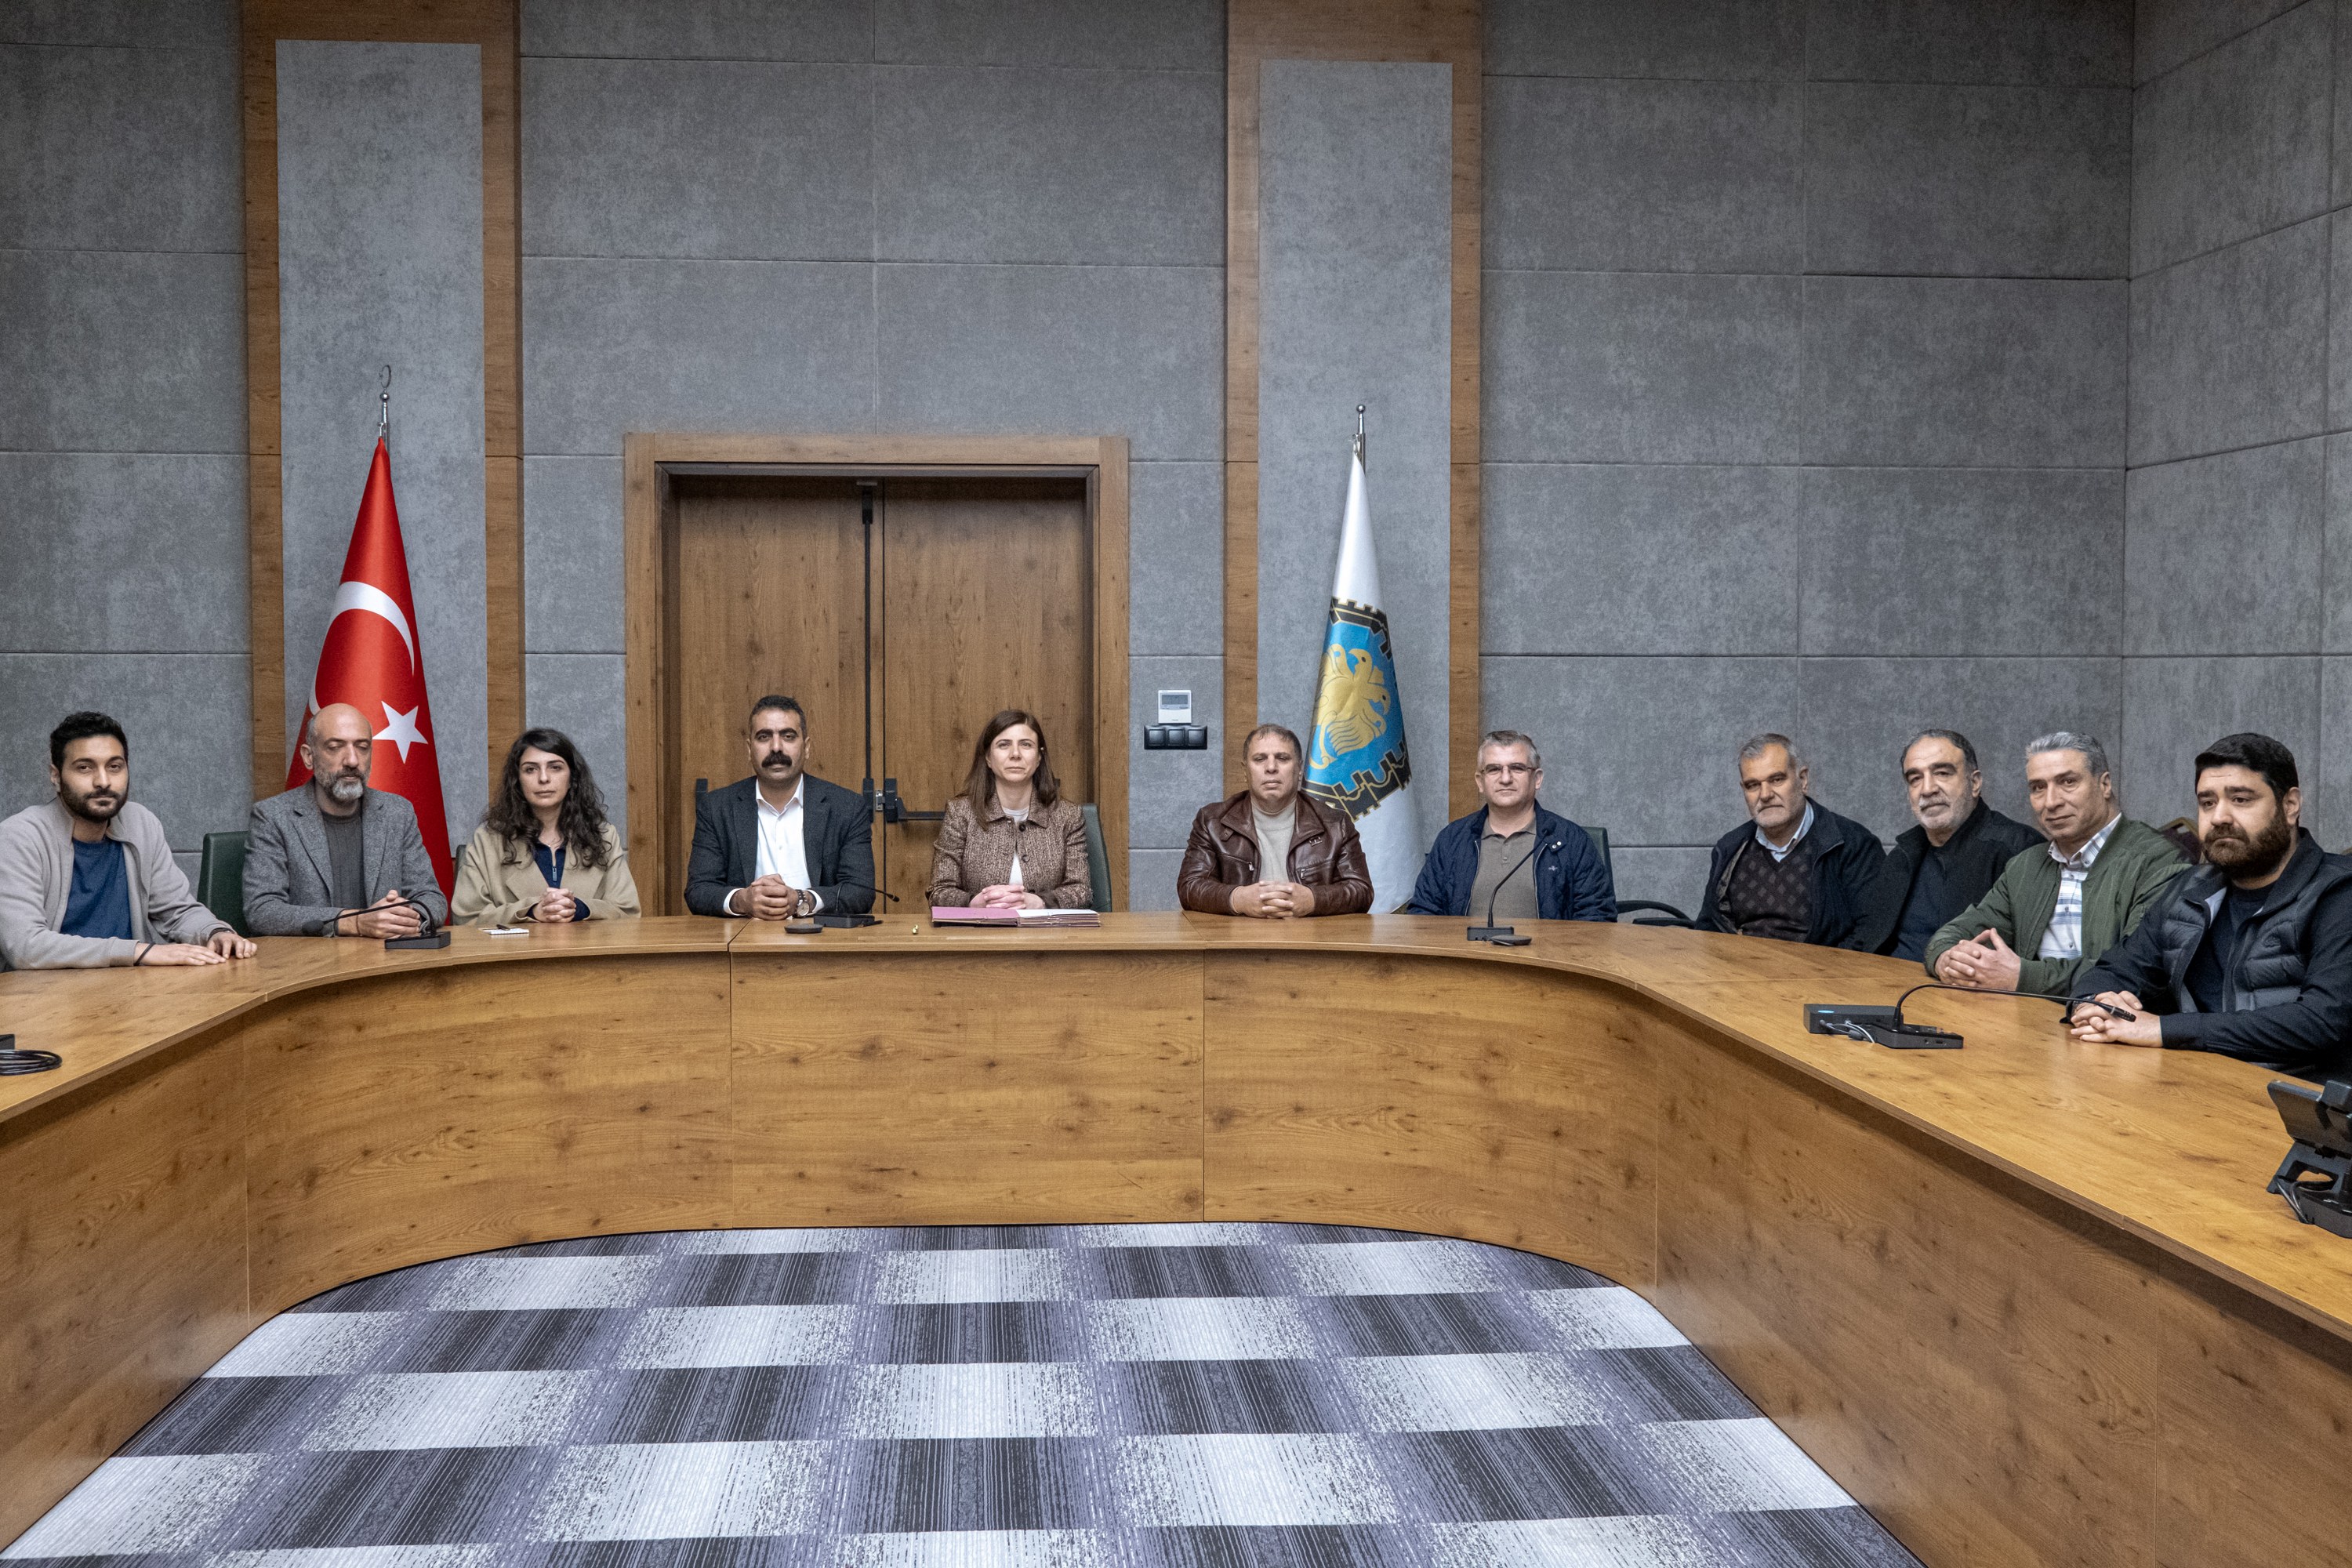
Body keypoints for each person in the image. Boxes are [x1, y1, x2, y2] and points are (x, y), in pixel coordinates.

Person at [2069, 734, 2352, 1080]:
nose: (2219, 817)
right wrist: (2096, 1004)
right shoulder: (2189, 889)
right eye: (2207, 802)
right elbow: (2113, 969)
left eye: (2241, 799)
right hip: (2190, 1086)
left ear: (2290, 805)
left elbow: (2321, 1021)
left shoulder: (2339, 892)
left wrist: (2163, 1029)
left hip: (2297, 1100)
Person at [1926, 731, 2184, 996]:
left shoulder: (2159, 861)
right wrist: (1948, 959)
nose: (2051, 802)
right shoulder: (2025, 866)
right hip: (2027, 1015)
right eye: (2038, 788)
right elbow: (1955, 934)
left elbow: (2141, 971)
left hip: (2112, 1019)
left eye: (2068, 782)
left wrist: (2022, 976)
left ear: (2105, 785)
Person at [0, 712, 256, 969]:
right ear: (56, 776)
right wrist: (138, 951)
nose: (103, 782)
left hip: (130, 986)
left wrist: (215, 932)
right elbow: (25, 946)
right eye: (84, 767)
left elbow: (177, 911)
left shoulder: (141, 823)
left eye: (114, 767)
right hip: (46, 990)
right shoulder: (19, 837)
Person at [245, 702, 448, 937]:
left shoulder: (397, 813)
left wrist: (404, 918)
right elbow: (262, 911)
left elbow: (432, 898)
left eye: (362, 747)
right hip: (311, 958)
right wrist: (354, 922)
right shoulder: (273, 816)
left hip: (385, 956)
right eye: (335, 747)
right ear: (309, 757)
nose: (352, 760)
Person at [1849, 729, 2041, 960]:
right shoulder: (1902, 855)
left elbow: (2027, 958)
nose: (1928, 789)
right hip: (1879, 977)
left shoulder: (2019, 850)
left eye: (1942, 773)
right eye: (1915, 779)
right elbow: (1866, 941)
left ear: (1975, 783)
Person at [684, 695, 875, 918]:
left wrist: (803, 900)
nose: (776, 747)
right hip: (744, 934)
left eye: (788, 736)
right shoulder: (716, 808)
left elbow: (861, 891)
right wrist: (742, 900)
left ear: (806, 747)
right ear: (749, 749)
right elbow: (698, 890)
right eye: (764, 737)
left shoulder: (847, 807)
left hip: (820, 935)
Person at [1404, 729, 1615, 922]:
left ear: (1537, 779)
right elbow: (1423, 913)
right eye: (1494, 769)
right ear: (1480, 781)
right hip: (1465, 953)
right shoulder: (1452, 840)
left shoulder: (1572, 841)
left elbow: (1597, 919)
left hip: (1549, 953)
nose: (1505, 779)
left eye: (1517, 768)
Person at [1697, 734, 1882, 946]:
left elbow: (1871, 933)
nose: (1765, 795)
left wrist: (1815, 967)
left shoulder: (1854, 845)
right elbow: (1709, 930)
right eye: (1753, 785)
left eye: (1776, 780)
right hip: (1742, 965)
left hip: (1821, 966)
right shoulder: (1729, 848)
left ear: (1803, 780)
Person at [1178, 724, 1372, 918]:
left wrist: (1314, 900)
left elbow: (1361, 890)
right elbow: (1190, 887)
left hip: (1310, 934)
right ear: (1245, 770)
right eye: (1260, 759)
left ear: (1299, 769)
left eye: (1283, 758)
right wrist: (1238, 899)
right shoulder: (1212, 822)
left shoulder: (1336, 824)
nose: (1271, 768)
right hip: (1238, 934)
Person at [452, 728, 642, 926]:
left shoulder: (604, 836)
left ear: (572, 779)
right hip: (516, 947)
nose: (543, 778)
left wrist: (580, 909)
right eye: (530, 769)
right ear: (517, 781)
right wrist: (531, 911)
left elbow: (628, 913)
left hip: (587, 946)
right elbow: (467, 919)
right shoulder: (488, 840)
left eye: (555, 767)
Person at [928, 710, 1092, 909]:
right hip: (979, 926)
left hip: (1045, 927)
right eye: (1004, 745)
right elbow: (940, 891)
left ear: (1039, 757)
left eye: (1026, 745)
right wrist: (974, 902)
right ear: (988, 757)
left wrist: (1040, 902)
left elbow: (1082, 890)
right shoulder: (960, 813)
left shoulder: (1068, 816)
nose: (1015, 754)